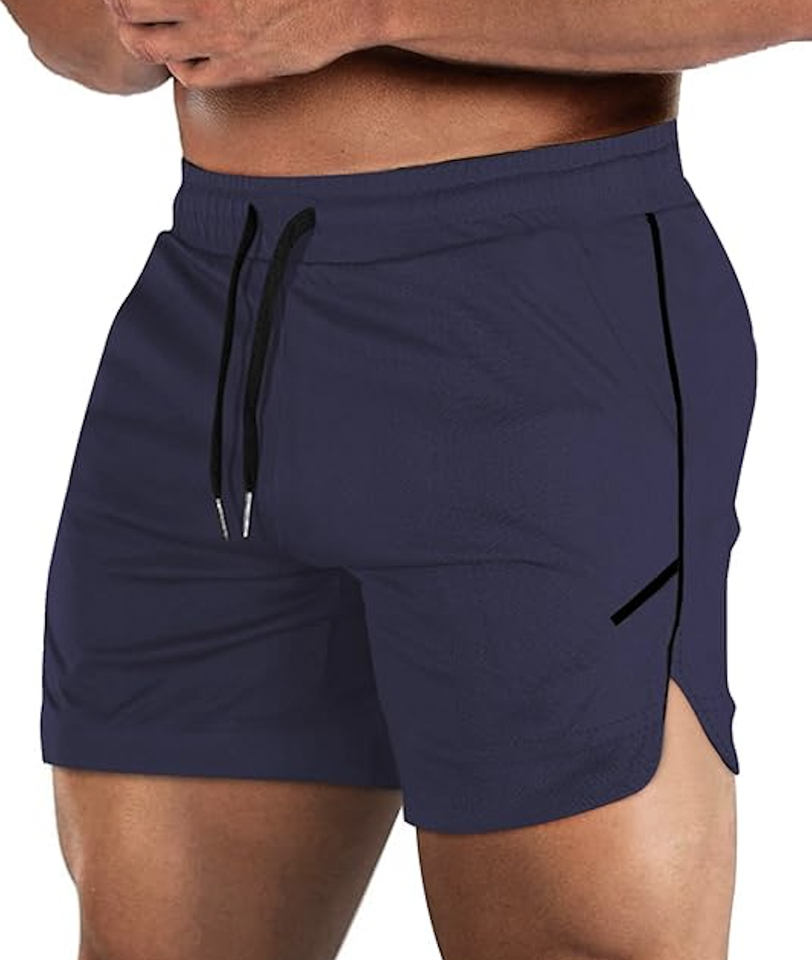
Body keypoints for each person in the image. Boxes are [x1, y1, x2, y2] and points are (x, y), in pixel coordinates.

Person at [6, 1, 807, 957]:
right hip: (211, 325)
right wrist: (147, 16)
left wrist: (364, 8)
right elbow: (78, 41)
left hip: (530, 313)